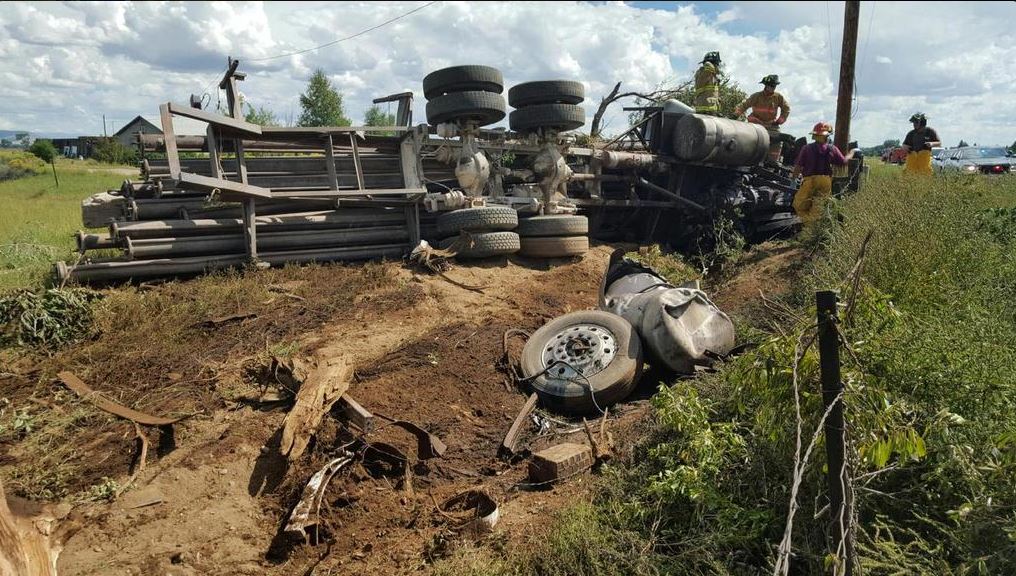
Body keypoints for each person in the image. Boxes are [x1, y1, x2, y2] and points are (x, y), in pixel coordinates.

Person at [791, 122, 856, 225]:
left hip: (809, 180)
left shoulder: (806, 148)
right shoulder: (832, 149)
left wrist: (793, 179)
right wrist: (852, 152)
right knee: (818, 207)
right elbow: (844, 162)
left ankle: (807, 227)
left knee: (799, 205)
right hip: (825, 181)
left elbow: (798, 166)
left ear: (814, 135)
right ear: (827, 136)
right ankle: (811, 227)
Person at [735, 74, 791, 163]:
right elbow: (744, 105)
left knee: (777, 140)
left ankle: (772, 163)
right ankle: (745, 158)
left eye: (774, 85)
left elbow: (786, 108)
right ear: (766, 85)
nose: (773, 87)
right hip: (755, 124)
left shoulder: (778, 97)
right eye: (771, 85)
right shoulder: (756, 96)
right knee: (747, 139)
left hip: (771, 125)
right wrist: (736, 114)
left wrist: (779, 121)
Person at [694, 52, 722, 116]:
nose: (718, 66)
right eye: (716, 64)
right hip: (705, 112)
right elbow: (708, 66)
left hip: (711, 111)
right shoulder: (704, 72)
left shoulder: (711, 76)